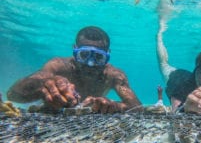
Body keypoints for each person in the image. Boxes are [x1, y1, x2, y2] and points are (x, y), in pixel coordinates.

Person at [7, 26, 142, 114]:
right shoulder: (57, 66)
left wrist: (115, 106)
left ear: (107, 56)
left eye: (98, 57)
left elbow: (137, 107)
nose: (90, 63)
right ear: (75, 50)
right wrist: (45, 84)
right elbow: (12, 95)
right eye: (84, 55)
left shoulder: (115, 75)